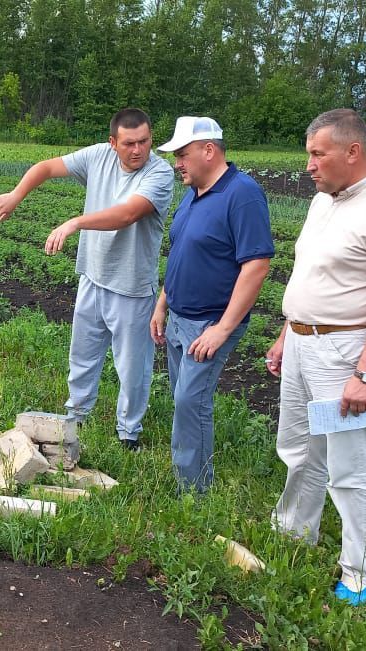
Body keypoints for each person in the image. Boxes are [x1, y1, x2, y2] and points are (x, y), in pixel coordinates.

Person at [266, 109, 366, 606]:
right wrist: (286, 333)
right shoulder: (323, 203)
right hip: (302, 343)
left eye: (318, 154)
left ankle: (359, 572)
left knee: (350, 467)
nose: (309, 165)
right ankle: (294, 532)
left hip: (344, 354)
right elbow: (312, 276)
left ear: (353, 152)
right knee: (299, 450)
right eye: (308, 154)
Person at [0, 109, 174, 449]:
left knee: (132, 368)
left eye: (144, 141)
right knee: (82, 354)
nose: (138, 150)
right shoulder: (98, 155)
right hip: (93, 277)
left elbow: (128, 214)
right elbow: (46, 167)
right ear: (113, 142)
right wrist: (15, 195)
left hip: (131, 287)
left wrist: (75, 222)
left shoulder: (159, 173)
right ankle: (77, 416)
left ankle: (129, 433)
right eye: (129, 143)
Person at [148, 116, 274, 493]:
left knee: (190, 401)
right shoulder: (194, 194)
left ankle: (193, 493)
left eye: (183, 154)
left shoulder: (243, 194)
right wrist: (162, 304)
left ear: (209, 150)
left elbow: (256, 265)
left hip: (211, 321)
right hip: (179, 315)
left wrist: (221, 328)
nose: (177, 164)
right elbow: (181, 252)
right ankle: (188, 472)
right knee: (181, 397)